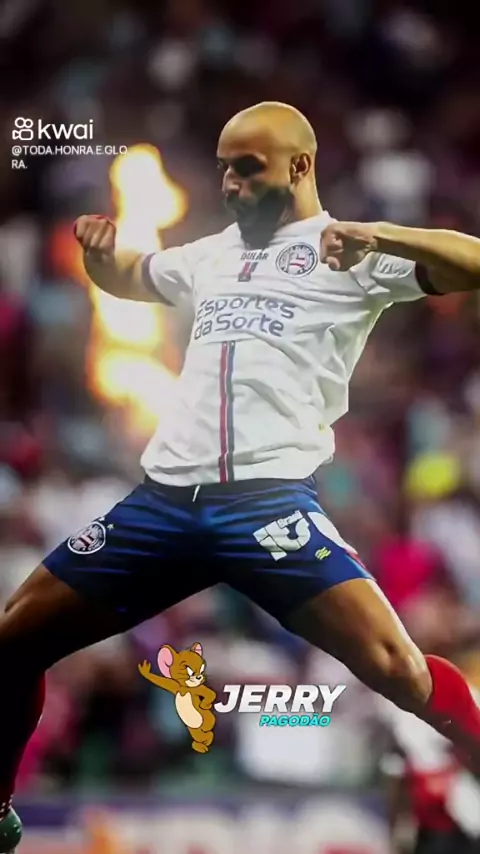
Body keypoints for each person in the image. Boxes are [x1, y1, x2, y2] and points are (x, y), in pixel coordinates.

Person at [2, 101, 480, 852]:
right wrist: (99, 258)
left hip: (267, 506)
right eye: (225, 168)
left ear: (300, 165)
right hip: (162, 504)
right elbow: (130, 277)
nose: (229, 184)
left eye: (247, 169)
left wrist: (381, 235)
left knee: (400, 670)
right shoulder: (210, 255)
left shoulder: (350, 254)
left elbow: (473, 261)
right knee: (14, 638)